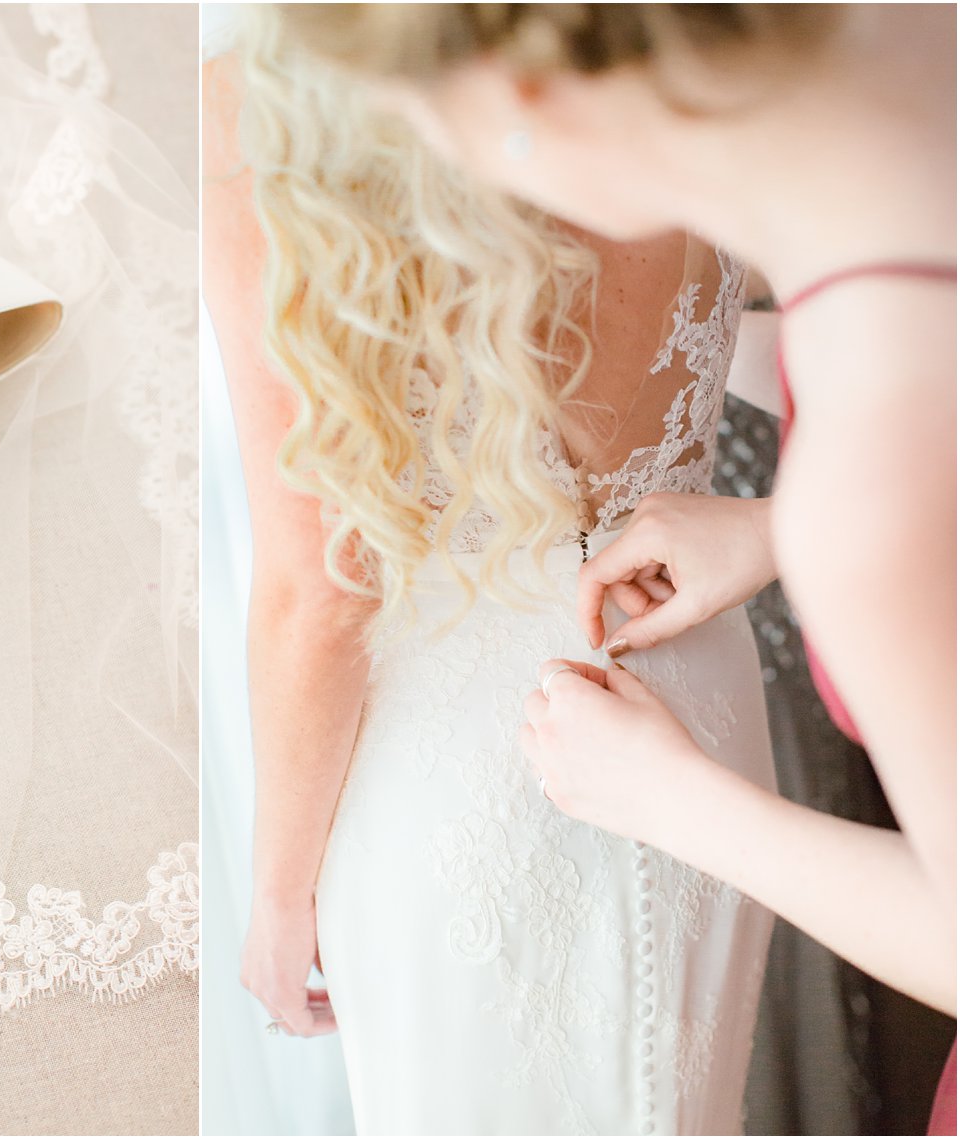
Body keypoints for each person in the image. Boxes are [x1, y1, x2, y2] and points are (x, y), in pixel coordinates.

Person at [279, 3, 958, 1130]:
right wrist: (766, 529)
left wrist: (674, 799)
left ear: (531, 104)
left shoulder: (867, 502)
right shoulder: (920, 52)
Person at [206, 8, 786, 1132]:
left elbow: (319, 588)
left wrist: (275, 895)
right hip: (693, 692)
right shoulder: (689, 47)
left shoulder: (265, 101)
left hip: (463, 762)